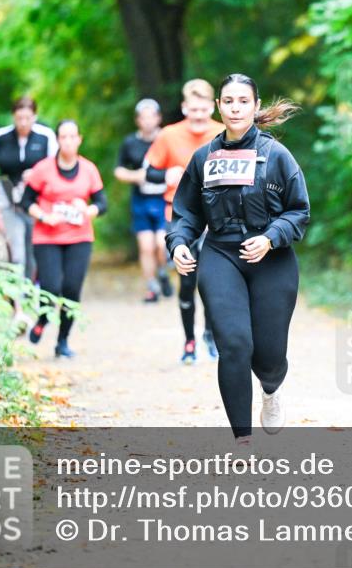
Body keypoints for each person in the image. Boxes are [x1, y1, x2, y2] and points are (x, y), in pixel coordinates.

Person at [167, 73, 309, 446]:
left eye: (243, 101)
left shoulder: (277, 156)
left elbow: (298, 212)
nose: (235, 108)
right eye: (228, 101)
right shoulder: (204, 158)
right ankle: (242, 440)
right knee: (233, 345)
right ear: (219, 106)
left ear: (255, 106)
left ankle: (271, 387)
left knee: (269, 355)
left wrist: (270, 237)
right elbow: (186, 213)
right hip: (220, 255)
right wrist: (180, 242)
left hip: (271, 260)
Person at [144, 79, 224, 364]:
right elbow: (149, 172)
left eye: (204, 109)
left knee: (213, 282)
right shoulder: (168, 135)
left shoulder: (223, 132)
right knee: (188, 282)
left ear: (212, 107)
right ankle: (189, 341)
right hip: (179, 216)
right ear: (184, 108)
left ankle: (211, 336)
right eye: (193, 110)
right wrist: (166, 176)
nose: (199, 116)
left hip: (216, 218)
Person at [20, 120, 107, 359]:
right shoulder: (43, 169)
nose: (68, 141)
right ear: (57, 140)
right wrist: (44, 216)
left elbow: (102, 203)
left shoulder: (89, 169)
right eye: (63, 137)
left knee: (71, 290)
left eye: (72, 137)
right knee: (51, 287)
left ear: (79, 139)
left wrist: (88, 210)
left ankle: (62, 342)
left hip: (79, 237)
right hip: (47, 237)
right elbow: (25, 201)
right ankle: (43, 318)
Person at [0, 96, 58, 279]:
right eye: (19, 118)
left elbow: (55, 168)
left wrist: (36, 174)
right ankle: (18, 299)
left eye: (27, 118)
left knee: (34, 249)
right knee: (17, 252)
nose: (23, 123)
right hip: (9, 199)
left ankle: (34, 291)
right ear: (13, 117)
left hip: (37, 202)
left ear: (34, 116)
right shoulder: (0, 137)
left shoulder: (46, 136)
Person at [113, 98, 172, 303]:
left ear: (158, 118)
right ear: (138, 120)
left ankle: (163, 272)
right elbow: (119, 170)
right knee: (146, 247)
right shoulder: (130, 142)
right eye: (143, 117)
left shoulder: (167, 138)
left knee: (161, 244)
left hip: (165, 199)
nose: (147, 121)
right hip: (141, 200)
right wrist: (136, 176)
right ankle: (151, 287)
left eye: (151, 116)